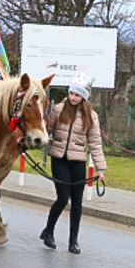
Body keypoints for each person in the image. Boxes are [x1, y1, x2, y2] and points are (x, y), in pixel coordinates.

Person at [40, 75, 106, 255]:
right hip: (59, 158)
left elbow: (95, 142)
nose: (73, 97)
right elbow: (46, 130)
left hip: (78, 161)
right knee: (62, 197)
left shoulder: (91, 116)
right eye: (71, 93)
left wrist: (100, 168)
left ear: (84, 97)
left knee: (77, 202)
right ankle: (49, 231)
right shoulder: (59, 109)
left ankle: (73, 240)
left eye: (77, 95)